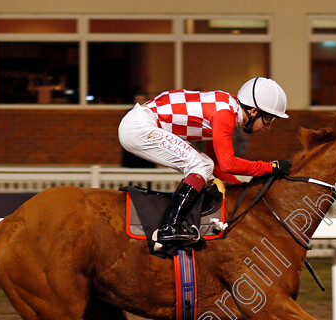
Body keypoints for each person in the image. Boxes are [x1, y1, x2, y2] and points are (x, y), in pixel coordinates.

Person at [119, 77, 291, 245]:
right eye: (268, 119)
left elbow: (217, 165)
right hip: (140, 126)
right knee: (201, 165)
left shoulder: (226, 107)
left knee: (205, 164)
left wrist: (241, 191)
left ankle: (174, 223)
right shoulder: (225, 114)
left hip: (139, 123)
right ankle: (169, 226)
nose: (268, 126)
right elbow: (228, 163)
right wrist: (271, 167)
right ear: (254, 111)